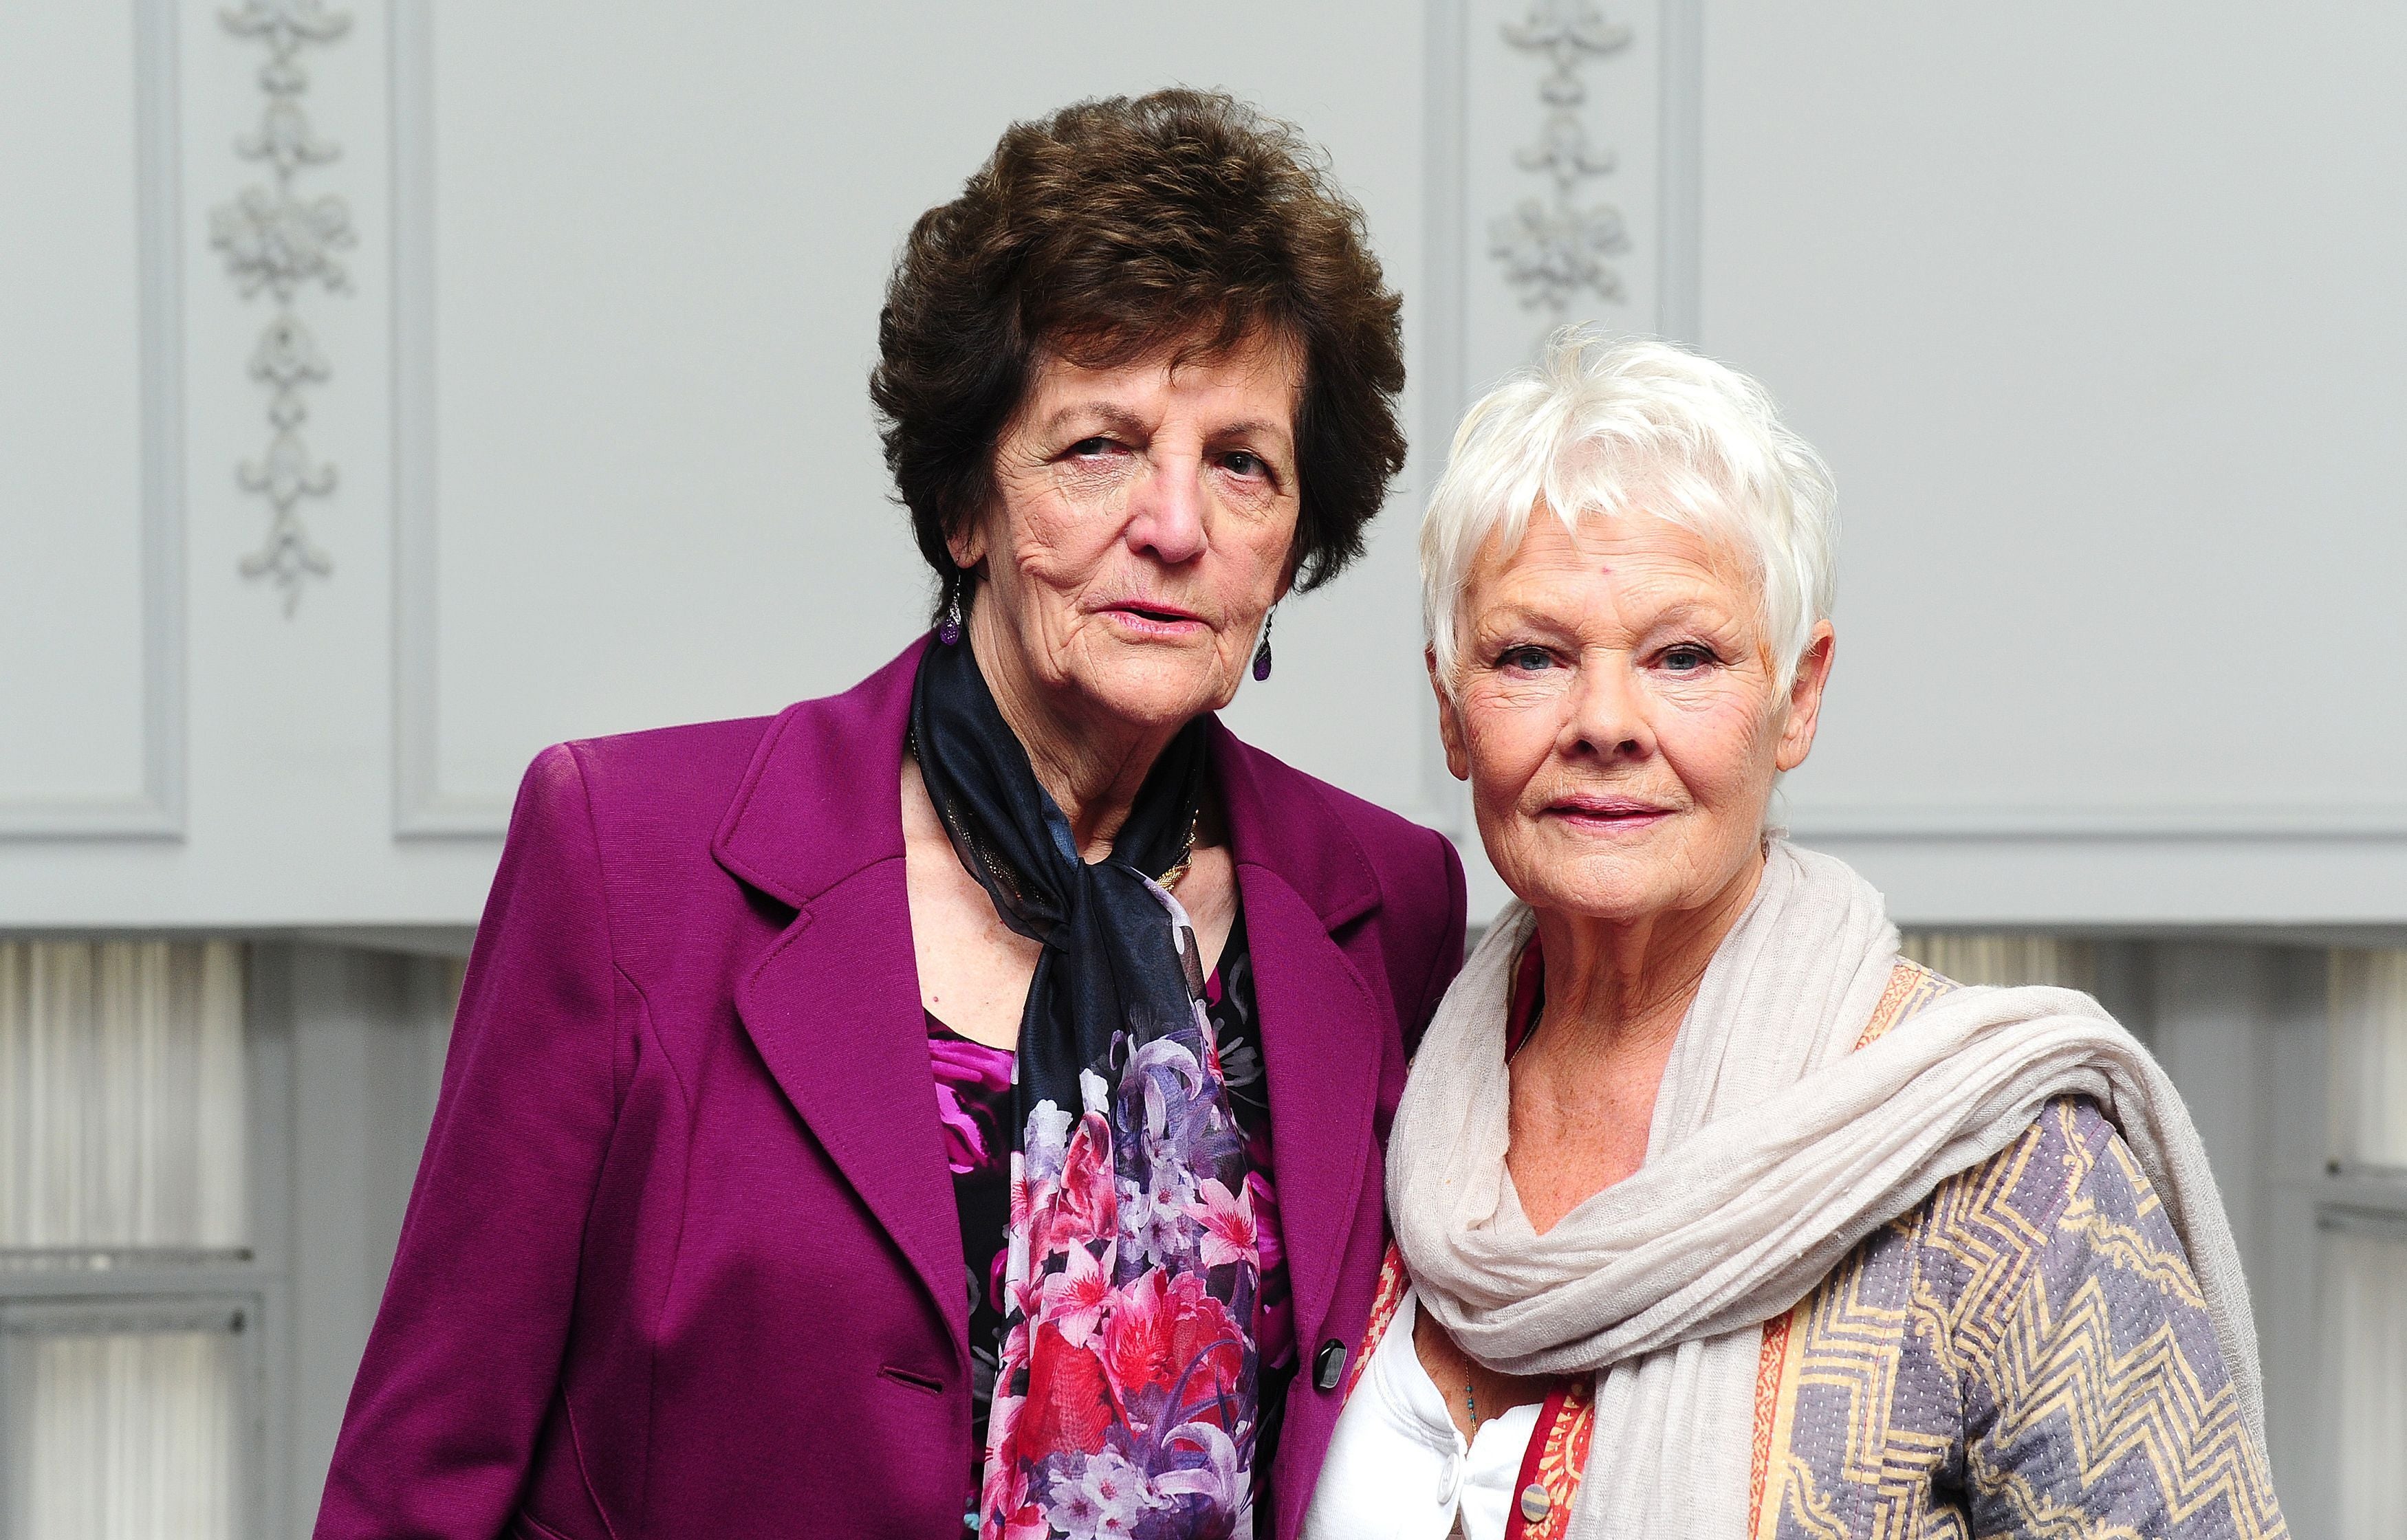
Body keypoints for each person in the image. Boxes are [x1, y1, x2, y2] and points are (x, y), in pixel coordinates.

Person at [315, 91, 1466, 1540]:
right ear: (964, 506)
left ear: (1293, 542)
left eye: (1241, 463)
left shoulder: (1386, 902)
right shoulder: (629, 856)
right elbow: (420, 1478)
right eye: (1099, 445)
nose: (1175, 525)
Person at [1305, 332, 2284, 1539]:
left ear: (1798, 698)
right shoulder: (1369, 1104)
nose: (1605, 721)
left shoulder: (2013, 1172)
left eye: (1685, 656)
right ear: (1453, 711)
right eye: (1530, 656)